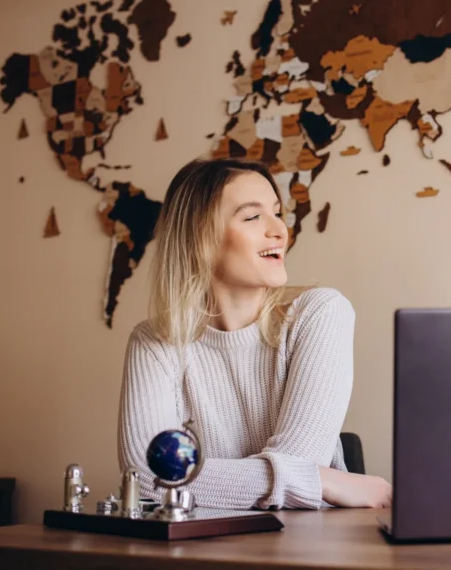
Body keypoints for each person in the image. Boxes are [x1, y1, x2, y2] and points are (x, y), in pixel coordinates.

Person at [117, 158, 392, 510]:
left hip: (306, 549)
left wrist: (194, 480)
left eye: (278, 212)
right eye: (252, 216)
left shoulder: (320, 313)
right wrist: (321, 481)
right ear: (199, 238)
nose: (279, 230)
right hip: (202, 553)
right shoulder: (154, 341)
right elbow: (144, 477)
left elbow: (301, 460)